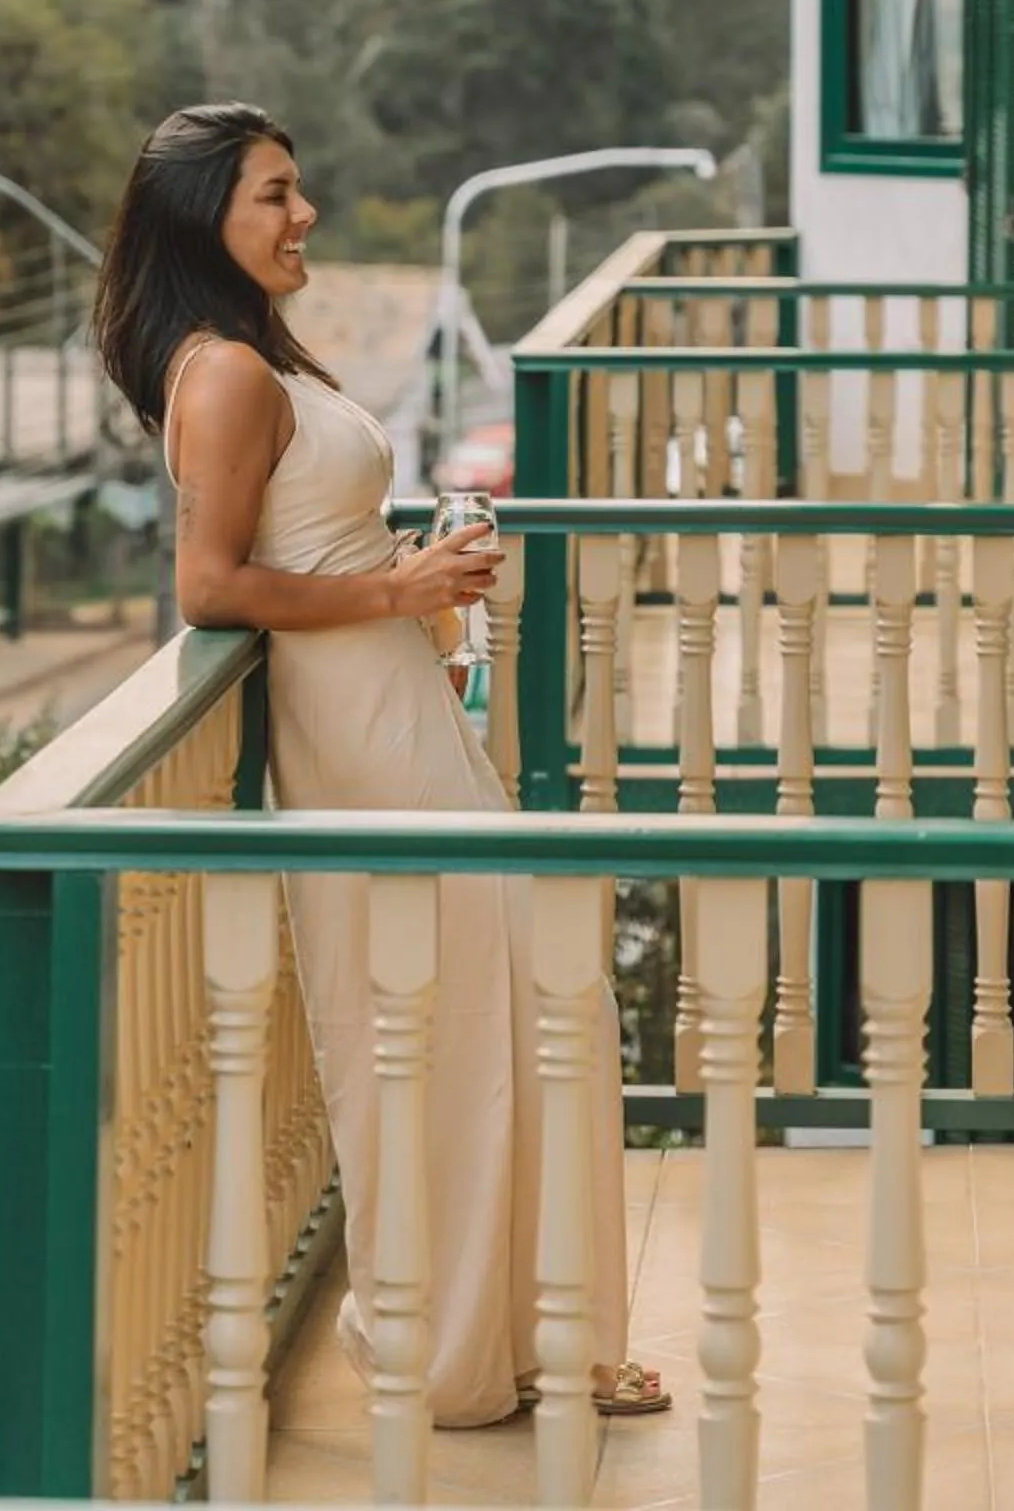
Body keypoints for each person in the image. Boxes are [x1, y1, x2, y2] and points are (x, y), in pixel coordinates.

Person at [93, 100, 665, 1431]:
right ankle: (458, 1351)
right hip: (356, 740)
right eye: (274, 196)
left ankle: (542, 1329)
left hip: (400, 715)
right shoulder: (223, 374)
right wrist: (396, 594)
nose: (304, 217)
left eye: (299, 190)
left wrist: (416, 580)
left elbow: (307, 543)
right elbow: (211, 588)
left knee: (527, 1017)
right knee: (457, 1041)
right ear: (204, 221)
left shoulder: (253, 355)